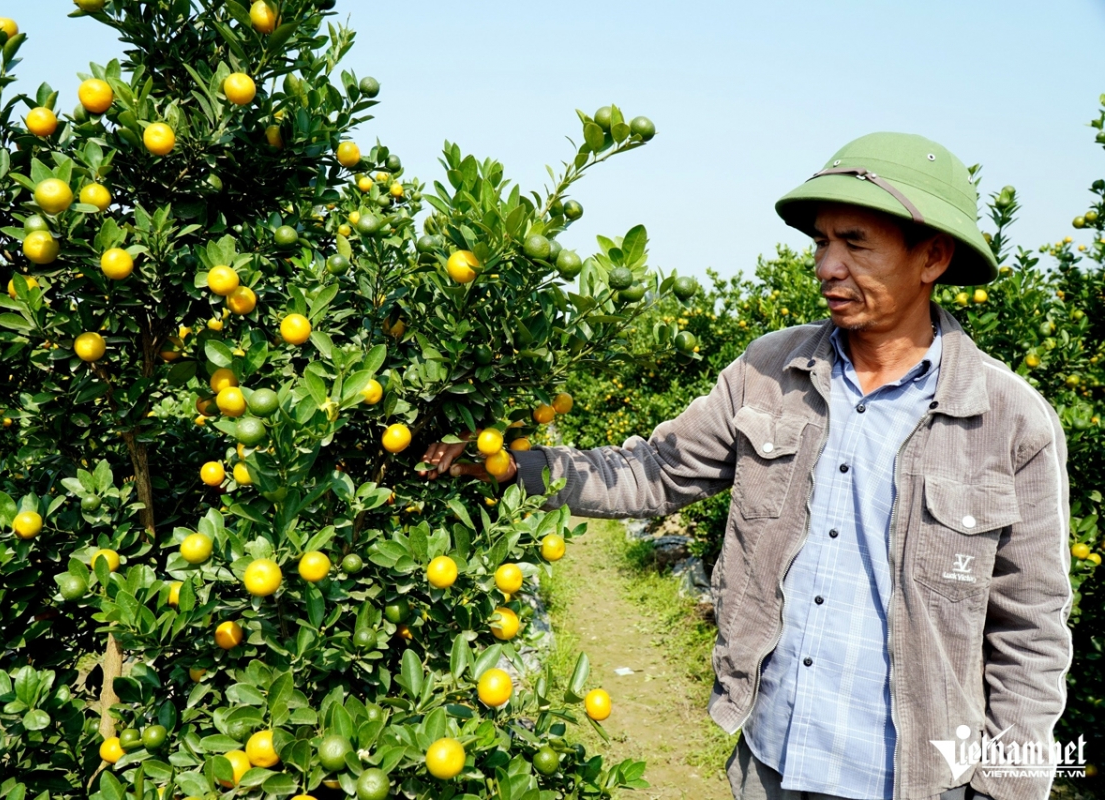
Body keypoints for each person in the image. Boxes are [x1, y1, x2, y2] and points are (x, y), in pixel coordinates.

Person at [419, 133, 1072, 800]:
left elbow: (1030, 631)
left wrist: (1009, 787)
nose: (827, 266)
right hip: (772, 765)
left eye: (854, 242)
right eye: (821, 242)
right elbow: (656, 469)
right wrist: (514, 468)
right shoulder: (770, 372)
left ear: (932, 256)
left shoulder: (1009, 422)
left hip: (916, 781)